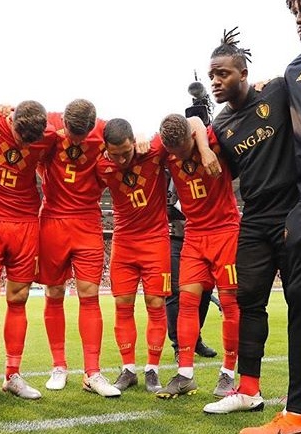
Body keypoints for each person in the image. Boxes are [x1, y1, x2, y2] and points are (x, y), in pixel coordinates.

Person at [240, 1, 301, 432]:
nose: (299, 16)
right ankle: (300, 417)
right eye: (293, 9)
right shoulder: (294, 70)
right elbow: (259, 125)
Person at [201, 29, 297, 415]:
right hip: (255, 221)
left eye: (223, 73)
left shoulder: (276, 91)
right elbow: (191, 127)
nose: (215, 82)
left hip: (295, 214)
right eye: (212, 75)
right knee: (249, 304)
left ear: (243, 73)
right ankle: (249, 391)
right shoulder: (223, 126)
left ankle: (300, 393)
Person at [0, 100, 55, 405]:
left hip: (26, 222)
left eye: (30, 140)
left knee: (18, 298)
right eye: (19, 136)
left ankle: (13, 374)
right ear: (12, 117)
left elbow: (80, 125)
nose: (23, 143)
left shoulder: (50, 133)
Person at [34, 99, 120, 398]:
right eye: (72, 133)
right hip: (53, 219)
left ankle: (92, 373)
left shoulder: (106, 130)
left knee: (89, 295)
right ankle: (58, 365)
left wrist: (143, 139)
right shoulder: (49, 124)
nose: (76, 139)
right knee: (54, 293)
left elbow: (128, 139)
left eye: (82, 135)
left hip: (87, 221)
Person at [155, 113, 240, 400]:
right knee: (187, 302)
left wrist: (204, 149)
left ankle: (228, 374)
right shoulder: (167, 151)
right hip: (194, 234)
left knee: (229, 302)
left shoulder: (211, 140)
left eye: (184, 151)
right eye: (174, 154)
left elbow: (194, 119)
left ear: (192, 139)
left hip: (225, 231)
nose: (179, 157)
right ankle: (185, 374)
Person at [96, 118, 171, 395]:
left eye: (126, 152)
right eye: (114, 154)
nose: (122, 159)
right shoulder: (101, 164)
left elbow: (188, 123)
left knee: (155, 303)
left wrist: (145, 134)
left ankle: (152, 368)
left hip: (155, 241)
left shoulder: (151, 150)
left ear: (133, 142)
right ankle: (128, 369)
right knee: (123, 304)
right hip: (124, 242)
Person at [165, 175, 219, 363]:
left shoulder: (201, 165)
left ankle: (194, 338)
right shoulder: (166, 167)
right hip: (173, 237)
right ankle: (179, 345)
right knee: (175, 293)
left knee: (205, 290)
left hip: (203, 235)